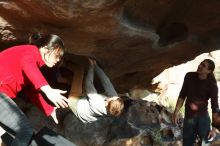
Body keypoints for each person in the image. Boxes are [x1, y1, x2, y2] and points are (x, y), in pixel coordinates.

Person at [0, 33, 69, 146]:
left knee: (18, 134)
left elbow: (32, 90)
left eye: (60, 58)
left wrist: (49, 109)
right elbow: (28, 65)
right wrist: (49, 90)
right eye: (57, 55)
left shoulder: (35, 61)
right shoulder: (30, 51)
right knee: (25, 130)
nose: (58, 60)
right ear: (45, 49)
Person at [172, 59, 219, 146]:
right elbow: (182, 95)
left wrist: (214, 129)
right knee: (187, 144)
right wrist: (176, 111)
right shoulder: (189, 76)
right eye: (201, 63)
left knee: (205, 144)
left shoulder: (212, 85)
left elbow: (215, 107)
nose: (200, 66)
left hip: (203, 119)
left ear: (209, 71)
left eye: (203, 66)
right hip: (188, 118)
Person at [68, 58, 125, 123]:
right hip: (88, 113)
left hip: (77, 107)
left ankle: (63, 62)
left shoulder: (97, 102)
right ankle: (62, 79)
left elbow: (89, 83)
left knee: (79, 70)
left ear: (108, 102)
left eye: (114, 97)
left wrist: (91, 66)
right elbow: (107, 83)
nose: (115, 96)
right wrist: (96, 66)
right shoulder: (113, 107)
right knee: (81, 84)